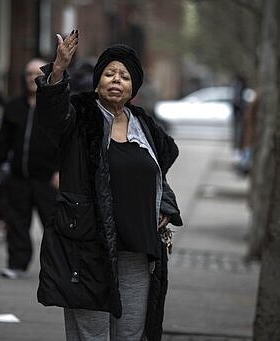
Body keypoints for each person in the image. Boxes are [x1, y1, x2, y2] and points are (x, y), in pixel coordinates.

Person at [35, 30, 183, 341]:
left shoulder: (145, 127)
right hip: (88, 248)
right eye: (109, 73)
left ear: (134, 87)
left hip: (137, 252)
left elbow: (156, 176)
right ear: (98, 81)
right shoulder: (80, 116)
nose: (116, 80)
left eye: (125, 76)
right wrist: (59, 70)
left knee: (130, 335)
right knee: (93, 336)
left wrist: (165, 206)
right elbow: (51, 116)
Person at [0, 58, 59, 279]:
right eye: (28, 74)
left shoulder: (54, 107)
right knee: (16, 222)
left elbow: (65, 142)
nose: (32, 78)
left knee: (53, 225)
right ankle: (17, 264)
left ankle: (55, 269)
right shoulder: (13, 107)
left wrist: (60, 171)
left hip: (47, 178)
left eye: (36, 74)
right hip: (19, 177)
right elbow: (3, 141)